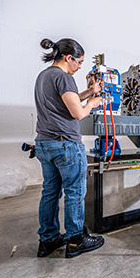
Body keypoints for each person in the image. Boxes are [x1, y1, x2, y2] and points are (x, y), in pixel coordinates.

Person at [34, 38, 105, 258]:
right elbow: (78, 113)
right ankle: (76, 240)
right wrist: (93, 103)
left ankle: (48, 239)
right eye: (79, 62)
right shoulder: (64, 77)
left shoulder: (44, 76)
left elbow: (66, 100)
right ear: (68, 58)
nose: (80, 66)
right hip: (66, 144)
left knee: (50, 192)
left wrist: (88, 91)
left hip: (45, 143)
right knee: (75, 191)